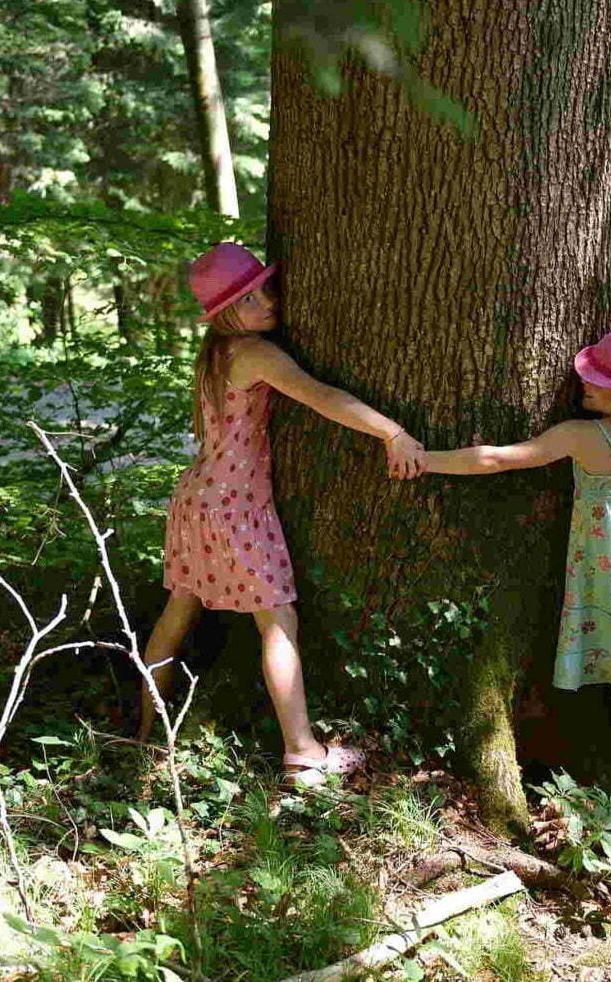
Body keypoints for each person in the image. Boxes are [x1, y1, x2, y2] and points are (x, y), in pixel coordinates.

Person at [137, 242, 426, 786]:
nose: (268, 301)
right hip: (234, 505)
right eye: (250, 296)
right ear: (227, 311)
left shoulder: (215, 353)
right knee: (276, 620)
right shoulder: (255, 353)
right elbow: (322, 396)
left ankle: (145, 731)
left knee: (180, 609)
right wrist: (392, 430)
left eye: (265, 288)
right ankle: (302, 751)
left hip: (197, 496)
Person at [423, 326, 611, 828]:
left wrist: (425, 460)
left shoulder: (585, 436)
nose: (579, 381)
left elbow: (495, 459)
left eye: (593, 379)